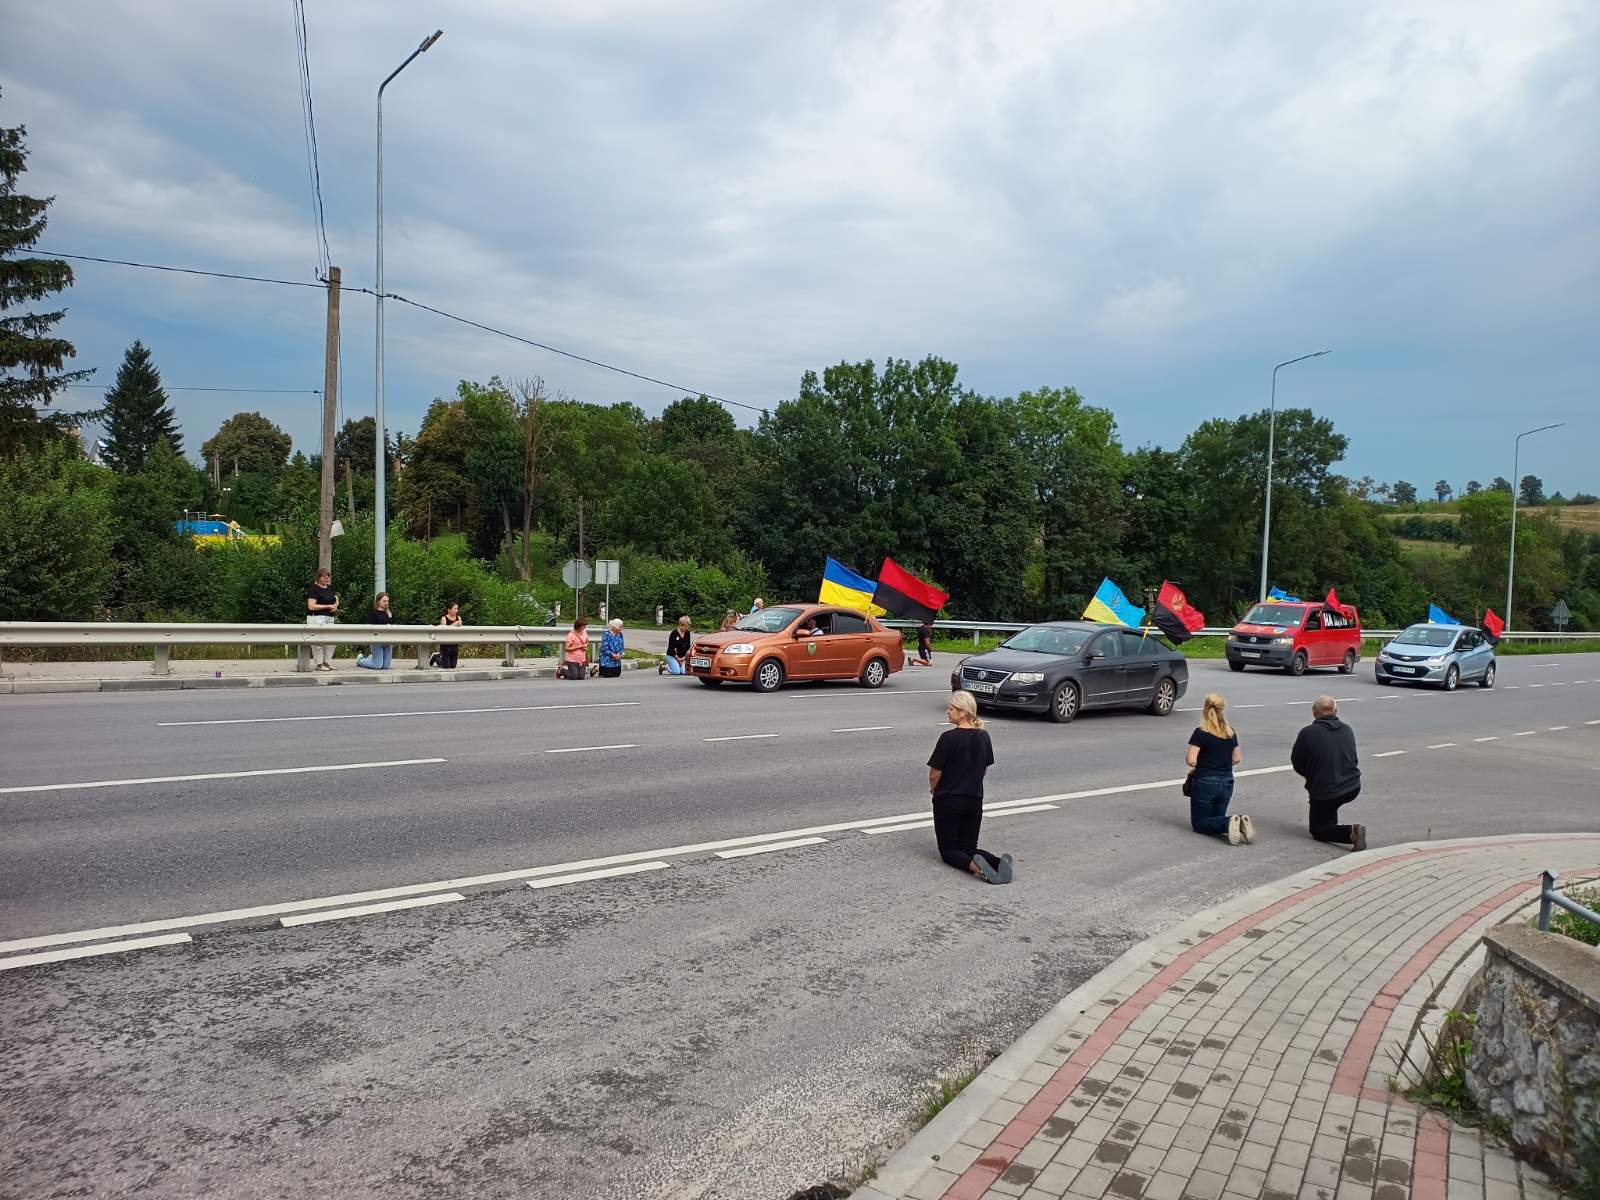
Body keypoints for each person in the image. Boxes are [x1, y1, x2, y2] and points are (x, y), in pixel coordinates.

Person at [927, 691, 1012, 884]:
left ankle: (977, 868)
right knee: (969, 848)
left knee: (949, 851)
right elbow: (983, 770)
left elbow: (935, 773)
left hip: (948, 801)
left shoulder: (948, 738)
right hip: (974, 800)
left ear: (963, 712)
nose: (947, 712)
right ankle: (998, 863)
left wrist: (935, 791)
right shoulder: (984, 737)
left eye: (951, 708)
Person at [1291, 695, 1366, 851]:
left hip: (1325, 791)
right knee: (1330, 806)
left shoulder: (1308, 733)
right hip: (1352, 785)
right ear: (1335, 710)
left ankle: (1351, 832)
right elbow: (1353, 758)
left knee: (1318, 830)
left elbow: (1297, 763)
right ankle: (1334, 824)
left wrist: (1314, 777)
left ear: (1314, 711)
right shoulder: (1347, 729)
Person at [1185, 693, 1252, 845]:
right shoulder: (1230, 732)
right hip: (1227, 782)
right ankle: (1237, 822)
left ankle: (1230, 822)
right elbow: (1237, 758)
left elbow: (1191, 760)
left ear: (1205, 708)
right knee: (1215, 821)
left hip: (1205, 782)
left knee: (1200, 824)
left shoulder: (1200, 732)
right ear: (1223, 709)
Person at [305, 568, 339, 672]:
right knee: (318, 641)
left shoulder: (328, 588)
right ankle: (319, 663)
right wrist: (328, 606)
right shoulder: (314, 589)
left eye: (328, 576)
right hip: (317, 617)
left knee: (331, 640)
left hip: (330, 617)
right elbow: (311, 606)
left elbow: (335, 600)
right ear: (318, 578)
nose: (327, 578)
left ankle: (327, 662)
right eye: (324, 576)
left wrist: (335, 605)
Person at [356, 592, 394, 670]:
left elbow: (393, 626)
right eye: (384, 601)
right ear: (378, 601)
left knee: (386, 667)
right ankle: (360, 660)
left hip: (388, 640)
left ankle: (371, 658)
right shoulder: (373, 613)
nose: (386, 603)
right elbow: (371, 628)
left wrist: (390, 616)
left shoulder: (388, 613)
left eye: (387, 601)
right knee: (378, 666)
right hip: (377, 641)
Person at [429, 601, 462, 669]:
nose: (456, 611)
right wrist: (453, 625)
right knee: (446, 666)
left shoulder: (458, 618)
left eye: (457, 609)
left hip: (454, 643)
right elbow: (443, 632)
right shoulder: (444, 618)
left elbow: (461, 630)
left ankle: (440, 656)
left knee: (453, 666)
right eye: (455, 609)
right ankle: (436, 657)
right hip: (445, 644)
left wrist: (459, 625)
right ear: (449, 610)